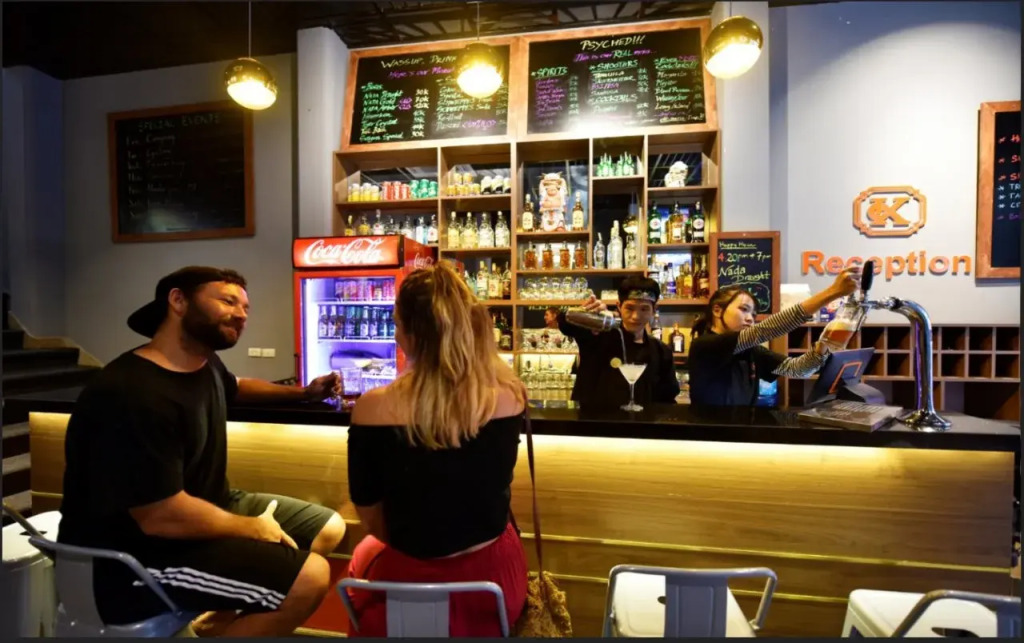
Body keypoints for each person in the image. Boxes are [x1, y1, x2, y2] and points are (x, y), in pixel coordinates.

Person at [58, 266, 347, 637]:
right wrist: (250, 528)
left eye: (245, 307)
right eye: (228, 301)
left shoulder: (204, 363)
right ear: (178, 301)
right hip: (132, 557)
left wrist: (304, 393)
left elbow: (234, 386)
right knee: (310, 578)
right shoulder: (131, 393)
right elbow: (159, 516)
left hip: (199, 512)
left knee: (328, 529)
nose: (241, 314)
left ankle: (216, 622)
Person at [345, 262, 528, 637]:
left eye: (396, 324)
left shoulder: (372, 407)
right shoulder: (511, 396)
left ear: (410, 333)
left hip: (410, 584)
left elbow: (372, 517)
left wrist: (423, 541)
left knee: (362, 554)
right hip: (493, 583)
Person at [687, 268, 861, 406]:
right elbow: (766, 330)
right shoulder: (704, 346)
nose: (750, 319)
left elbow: (798, 369)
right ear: (717, 310)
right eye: (744, 310)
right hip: (711, 434)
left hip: (741, 431)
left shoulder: (751, 350)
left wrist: (825, 344)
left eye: (753, 315)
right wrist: (833, 292)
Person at [558, 275, 679, 408]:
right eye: (629, 308)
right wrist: (584, 312)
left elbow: (667, 398)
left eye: (644, 309)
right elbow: (565, 324)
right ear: (619, 307)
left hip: (642, 421)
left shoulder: (661, 351)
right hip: (593, 419)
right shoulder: (597, 334)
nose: (636, 316)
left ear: (654, 310)